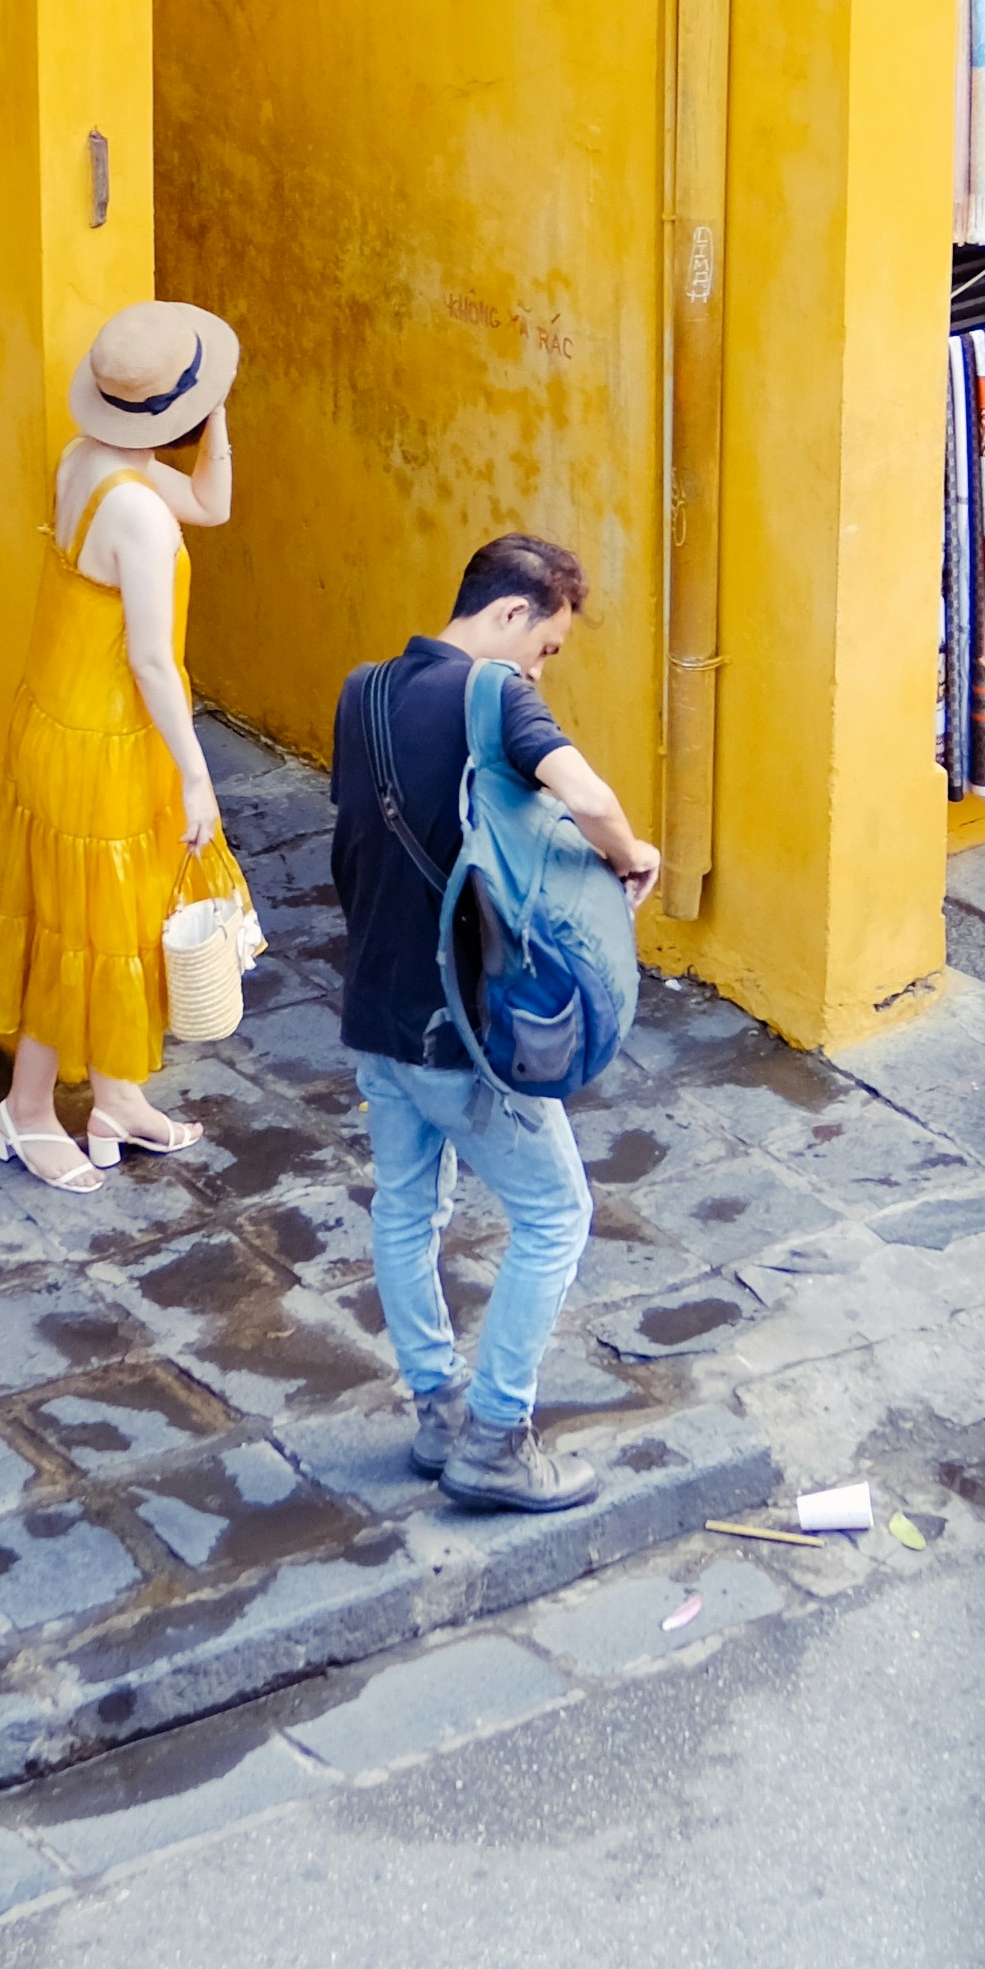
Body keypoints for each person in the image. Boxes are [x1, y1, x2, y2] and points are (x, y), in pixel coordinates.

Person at [330, 535, 660, 1513]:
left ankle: (436, 1413)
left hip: (375, 1012)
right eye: (547, 646)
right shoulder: (496, 695)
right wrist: (630, 851)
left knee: (404, 1209)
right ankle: (496, 1441)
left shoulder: (362, 690)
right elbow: (587, 797)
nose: (540, 666)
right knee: (557, 1215)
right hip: (462, 1026)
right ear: (511, 613)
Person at [0, 299, 240, 1186]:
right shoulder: (140, 518)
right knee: (80, 925)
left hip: (66, 715)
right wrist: (198, 778)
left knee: (114, 915)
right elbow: (154, 664)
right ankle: (25, 1111)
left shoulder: (88, 461)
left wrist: (216, 427)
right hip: (104, 736)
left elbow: (212, 500)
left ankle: (119, 1098)